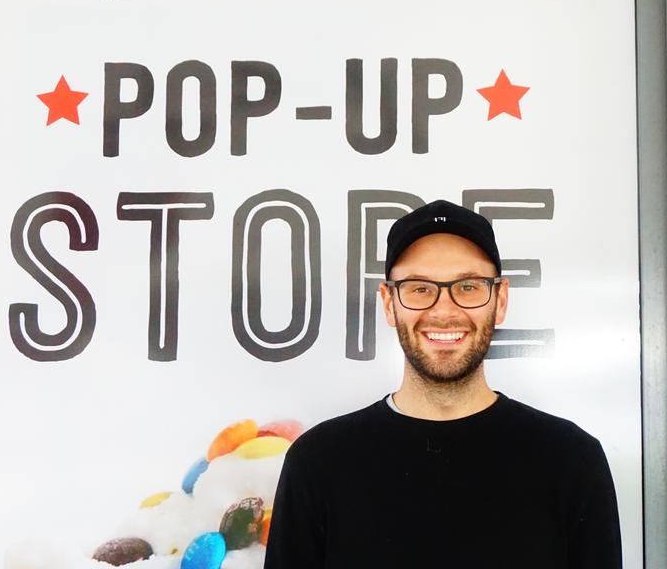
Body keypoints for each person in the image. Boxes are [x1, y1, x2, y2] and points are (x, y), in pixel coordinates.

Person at [264, 200, 622, 568]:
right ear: (389, 303)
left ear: (500, 300)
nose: (444, 311)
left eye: (468, 286)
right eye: (419, 288)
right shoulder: (319, 464)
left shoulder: (571, 462)